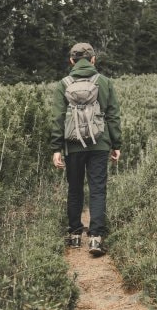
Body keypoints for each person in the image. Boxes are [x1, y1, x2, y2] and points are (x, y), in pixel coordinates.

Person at [50, 42, 121, 255]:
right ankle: (96, 238)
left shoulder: (63, 84)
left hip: (73, 146)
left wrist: (56, 148)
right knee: (98, 189)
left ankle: (74, 236)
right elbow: (113, 116)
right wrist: (116, 144)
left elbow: (58, 118)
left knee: (75, 189)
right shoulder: (105, 82)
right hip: (99, 144)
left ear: (71, 61)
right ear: (93, 60)